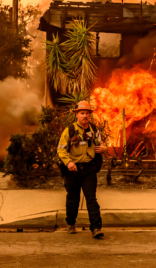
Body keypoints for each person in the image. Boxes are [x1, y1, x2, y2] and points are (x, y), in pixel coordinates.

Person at [57, 100, 107, 238]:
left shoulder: (94, 129)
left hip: (89, 169)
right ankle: (71, 224)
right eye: (82, 113)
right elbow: (61, 150)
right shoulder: (70, 130)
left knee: (91, 198)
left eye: (87, 113)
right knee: (73, 198)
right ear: (76, 115)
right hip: (73, 170)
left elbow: (101, 144)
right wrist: (68, 163)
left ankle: (96, 228)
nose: (85, 116)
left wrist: (104, 148)